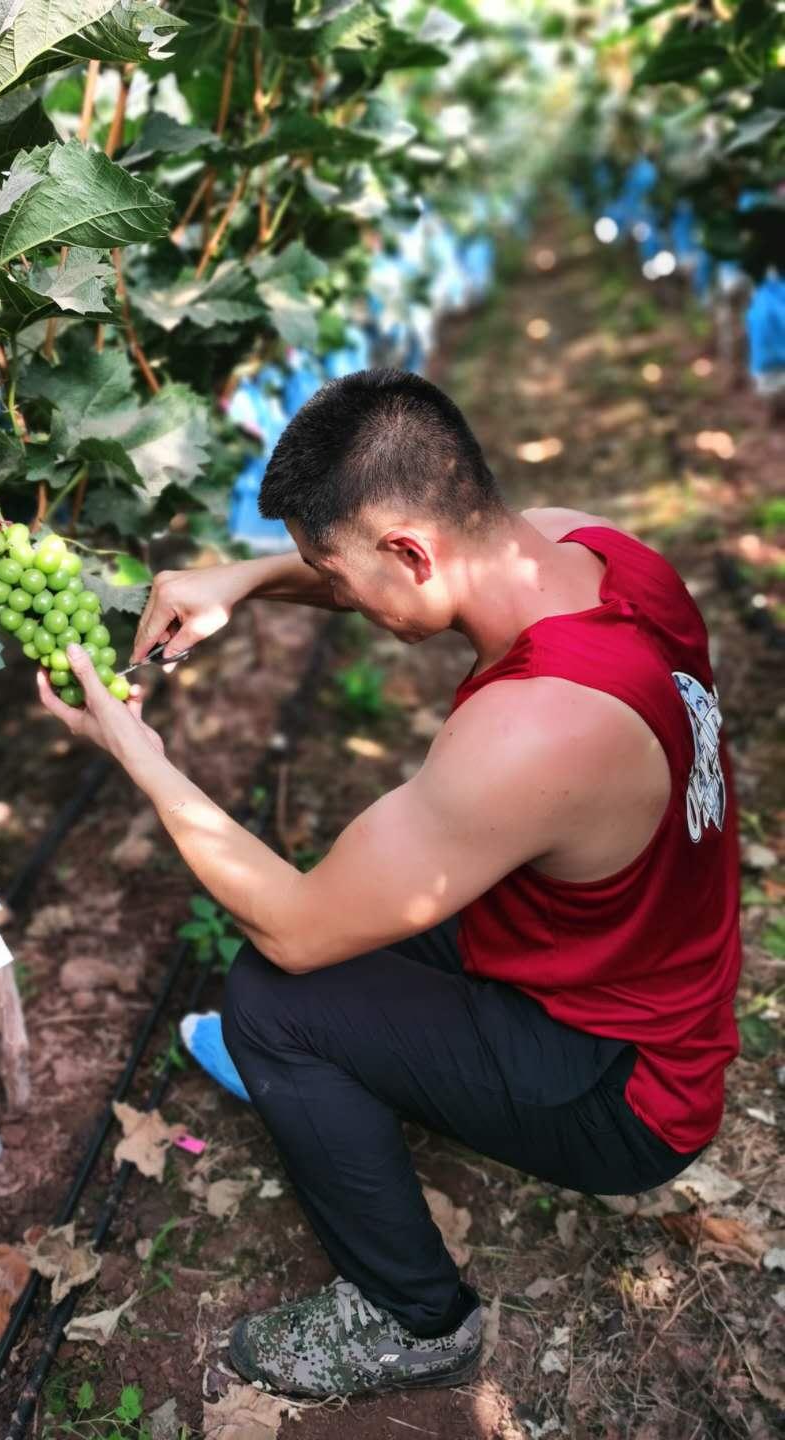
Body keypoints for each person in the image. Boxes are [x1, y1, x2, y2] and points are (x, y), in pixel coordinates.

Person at [37, 368, 742, 1401]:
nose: (335, 586)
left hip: (628, 1090)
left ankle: (416, 1320)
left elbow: (293, 930)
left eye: (337, 567)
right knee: (368, 905)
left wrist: (134, 749)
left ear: (412, 550)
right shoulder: (589, 548)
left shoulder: (534, 735)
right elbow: (386, 568)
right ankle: (368, 1084)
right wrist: (243, 576)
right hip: (628, 970)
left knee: (274, 1000)